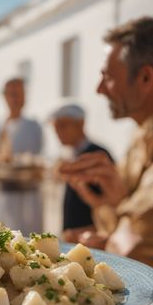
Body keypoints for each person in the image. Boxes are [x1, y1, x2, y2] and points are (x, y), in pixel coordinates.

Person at [59, 17, 153, 277]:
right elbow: (129, 232)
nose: (99, 90)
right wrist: (107, 207)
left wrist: (105, 242)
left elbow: (138, 245)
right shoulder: (145, 132)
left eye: (107, 77)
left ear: (145, 77)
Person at [0, 78, 43, 235]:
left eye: (19, 94)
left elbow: (35, 156)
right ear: (5, 97)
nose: (15, 99)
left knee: (29, 239)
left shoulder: (33, 126)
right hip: (4, 192)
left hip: (29, 194)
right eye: (12, 94)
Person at [50, 103, 113, 241]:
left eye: (62, 125)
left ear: (80, 124)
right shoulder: (68, 156)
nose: (57, 131)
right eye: (55, 126)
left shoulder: (97, 155)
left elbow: (112, 203)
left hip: (92, 240)